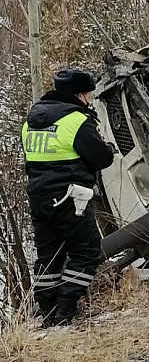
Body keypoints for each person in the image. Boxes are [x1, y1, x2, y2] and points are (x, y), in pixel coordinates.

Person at [21, 69, 114, 326]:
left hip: (38, 197)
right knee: (87, 251)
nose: (89, 100)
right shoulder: (76, 120)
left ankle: (48, 313)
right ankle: (66, 309)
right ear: (79, 94)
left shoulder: (30, 122)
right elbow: (101, 158)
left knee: (49, 255)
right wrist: (107, 148)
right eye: (88, 95)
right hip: (71, 198)